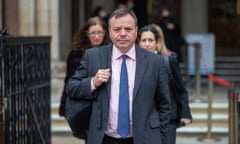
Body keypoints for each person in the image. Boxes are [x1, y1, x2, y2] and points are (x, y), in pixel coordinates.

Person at [66, 9, 171, 144]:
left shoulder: (154, 61)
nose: (122, 34)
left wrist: (159, 136)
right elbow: (72, 87)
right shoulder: (93, 56)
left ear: (136, 30)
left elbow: (164, 104)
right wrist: (93, 82)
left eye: (128, 29)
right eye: (117, 29)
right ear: (109, 31)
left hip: (145, 138)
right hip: (104, 138)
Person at [137, 24, 192, 144]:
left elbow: (181, 90)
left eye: (150, 40)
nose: (147, 44)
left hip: (168, 119)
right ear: (138, 43)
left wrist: (185, 113)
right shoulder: (134, 64)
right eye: (144, 40)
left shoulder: (168, 61)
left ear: (157, 42)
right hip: (144, 118)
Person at [58, 16, 110, 143]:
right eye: (93, 33)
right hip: (86, 106)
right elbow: (69, 83)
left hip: (108, 107)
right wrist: (64, 107)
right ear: (87, 34)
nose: (96, 36)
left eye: (99, 32)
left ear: (105, 33)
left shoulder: (111, 52)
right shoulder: (76, 54)